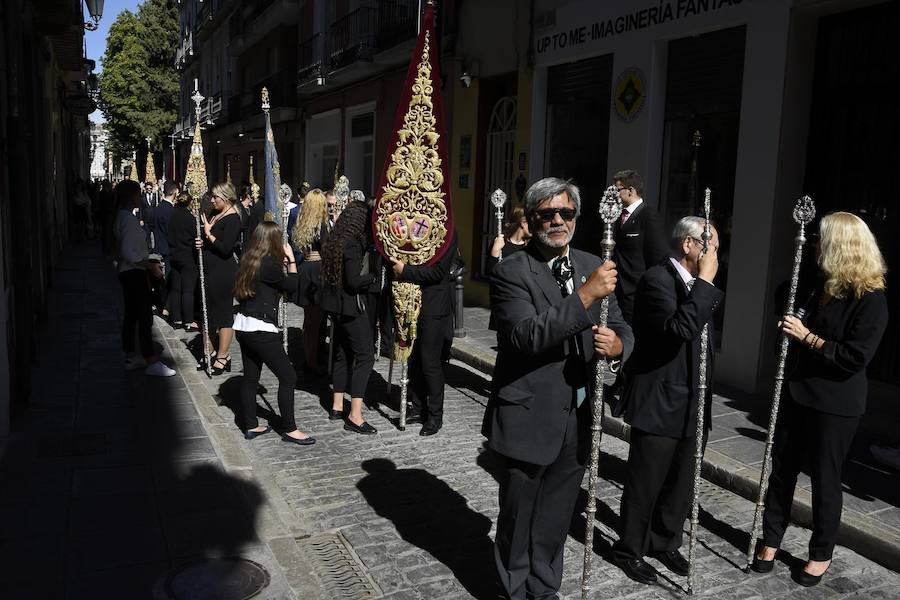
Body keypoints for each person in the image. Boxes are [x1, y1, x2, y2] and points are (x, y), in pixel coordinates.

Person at [483, 177, 632, 600]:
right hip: (528, 414)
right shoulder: (511, 270)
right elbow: (525, 336)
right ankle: (514, 589)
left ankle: (544, 589)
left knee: (555, 517)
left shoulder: (593, 262)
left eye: (565, 213)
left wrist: (618, 346)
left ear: (576, 218)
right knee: (519, 516)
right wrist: (585, 296)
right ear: (530, 221)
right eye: (546, 214)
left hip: (579, 415)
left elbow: (621, 324)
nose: (557, 221)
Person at [753, 212, 888, 587]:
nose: (814, 244)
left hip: (836, 403)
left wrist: (807, 337)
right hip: (799, 391)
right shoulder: (819, 284)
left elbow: (854, 357)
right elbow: (784, 293)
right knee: (782, 469)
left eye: (820, 239)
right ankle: (771, 539)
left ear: (840, 246)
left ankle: (821, 552)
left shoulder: (870, 299)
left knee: (825, 478)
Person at [612, 216, 723, 585]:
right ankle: (629, 548)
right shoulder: (657, 280)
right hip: (660, 400)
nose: (717, 256)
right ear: (689, 245)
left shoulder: (696, 283)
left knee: (681, 482)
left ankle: (665, 539)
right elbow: (681, 329)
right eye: (713, 247)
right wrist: (705, 283)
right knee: (646, 482)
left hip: (694, 399)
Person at [233, 221, 314, 446]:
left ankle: (250, 425)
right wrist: (290, 260)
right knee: (288, 377)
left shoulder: (248, 258)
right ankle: (290, 428)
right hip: (261, 329)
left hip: (244, 325)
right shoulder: (268, 264)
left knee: (250, 378)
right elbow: (291, 286)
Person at [390, 231, 459, 436]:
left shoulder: (448, 233)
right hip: (411, 303)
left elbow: (438, 273)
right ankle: (418, 408)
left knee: (430, 362)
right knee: (415, 360)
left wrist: (405, 271)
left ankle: (435, 416)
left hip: (434, 306)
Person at [321, 200, 380, 435]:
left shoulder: (336, 240)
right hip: (350, 308)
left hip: (336, 307)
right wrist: (373, 277)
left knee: (342, 354)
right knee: (365, 356)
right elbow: (354, 280)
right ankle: (355, 415)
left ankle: (337, 405)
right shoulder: (353, 244)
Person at [113, 179, 176, 377]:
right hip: (134, 272)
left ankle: (131, 354)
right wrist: (149, 265)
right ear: (131, 197)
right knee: (143, 316)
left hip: (129, 272)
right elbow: (129, 253)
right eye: (138, 194)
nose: (140, 197)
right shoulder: (129, 220)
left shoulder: (122, 217)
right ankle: (149, 358)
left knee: (132, 315)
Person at [611, 169, 669, 323]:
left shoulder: (648, 215)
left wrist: (647, 286)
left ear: (630, 191)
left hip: (636, 291)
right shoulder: (617, 216)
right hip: (617, 287)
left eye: (617, 190)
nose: (614, 194)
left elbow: (659, 255)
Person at [197, 182, 243, 375]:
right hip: (209, 271)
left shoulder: (233, 219)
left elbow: (225, 248)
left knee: (223, 313)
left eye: (216, 197)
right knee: (208, 311)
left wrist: (208, 235)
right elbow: (212, 242)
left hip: (223, 272)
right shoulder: (216, 214)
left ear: (226, 198)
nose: (213, 200)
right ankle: (210, 350)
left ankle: (223, 355)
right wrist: (203, 242)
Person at [292, 188, 331, 374]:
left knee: (309, 321)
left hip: (306, 268)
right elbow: (326, 249)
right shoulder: (321, 224)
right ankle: (312, 360)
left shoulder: (303, 223)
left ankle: (309, 356)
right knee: (315, 322)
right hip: (317, 270)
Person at [168, 191, 200, 331]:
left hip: (174, 255)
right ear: (189, 202)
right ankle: (188, 320)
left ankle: (176, 318)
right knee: (188, 290)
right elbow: (195, 236)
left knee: (176, 288)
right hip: (187, 256)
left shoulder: (172, 216)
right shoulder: (190, 219)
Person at [152, 180, 178, 318]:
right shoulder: (170, 211)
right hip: (169, 248)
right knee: (168, 278)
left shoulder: (158, 208)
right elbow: (171, 231)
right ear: (174, 193)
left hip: (160, 246)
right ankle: (166, 306)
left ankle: (163, 303)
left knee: (163, 277)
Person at [486, 206, 530, 277]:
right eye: (532, 222)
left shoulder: (531, 246)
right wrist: (495, 252)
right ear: (523, 223)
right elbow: (491, 274)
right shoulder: (500, 242)